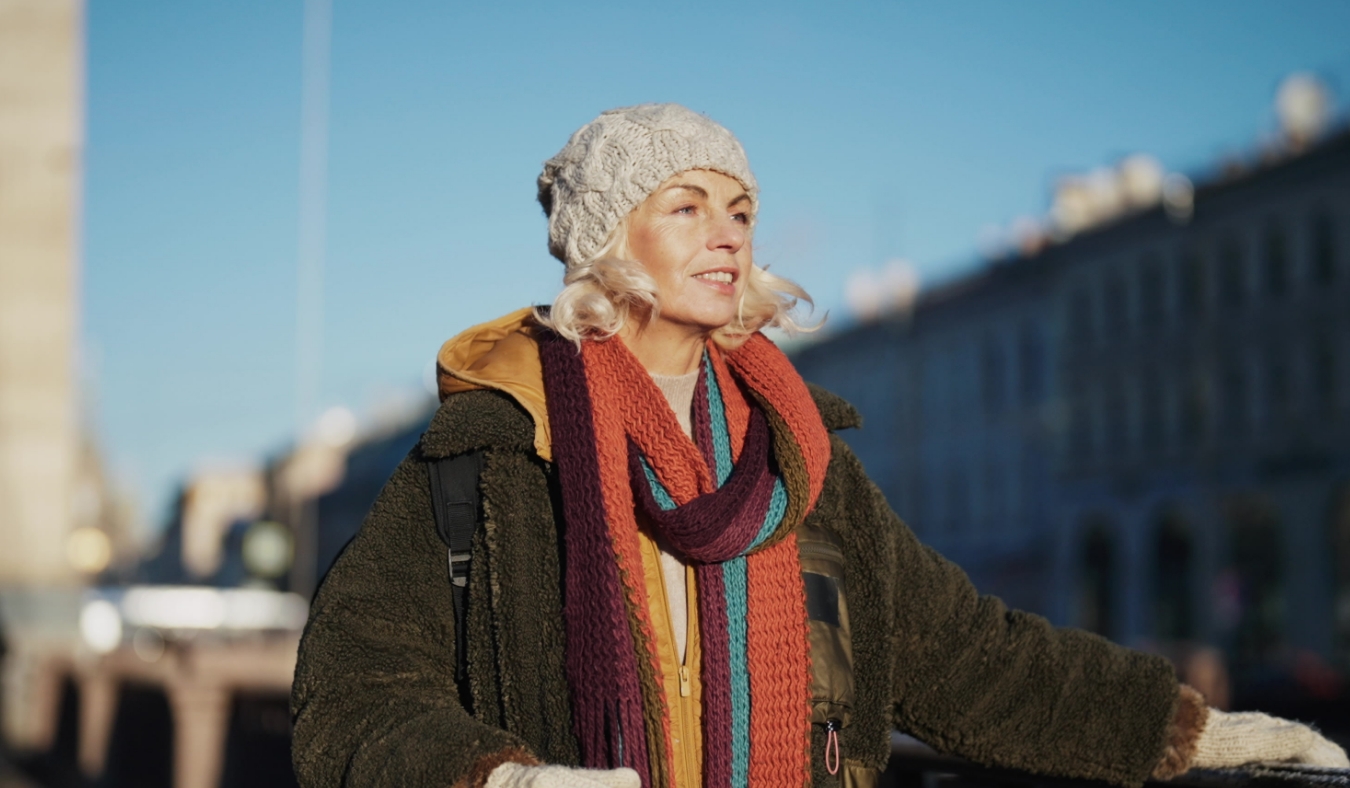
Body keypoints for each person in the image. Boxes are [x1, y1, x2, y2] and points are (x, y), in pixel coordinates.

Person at [290, 104, 1348, 788]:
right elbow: (352, 688)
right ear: (608, 239)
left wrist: (1186, 731)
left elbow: (968, 657)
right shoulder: (493, 449)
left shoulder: (798, 458)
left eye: (741, 210)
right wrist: (497, 777)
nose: (729, 232)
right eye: (688, 206)